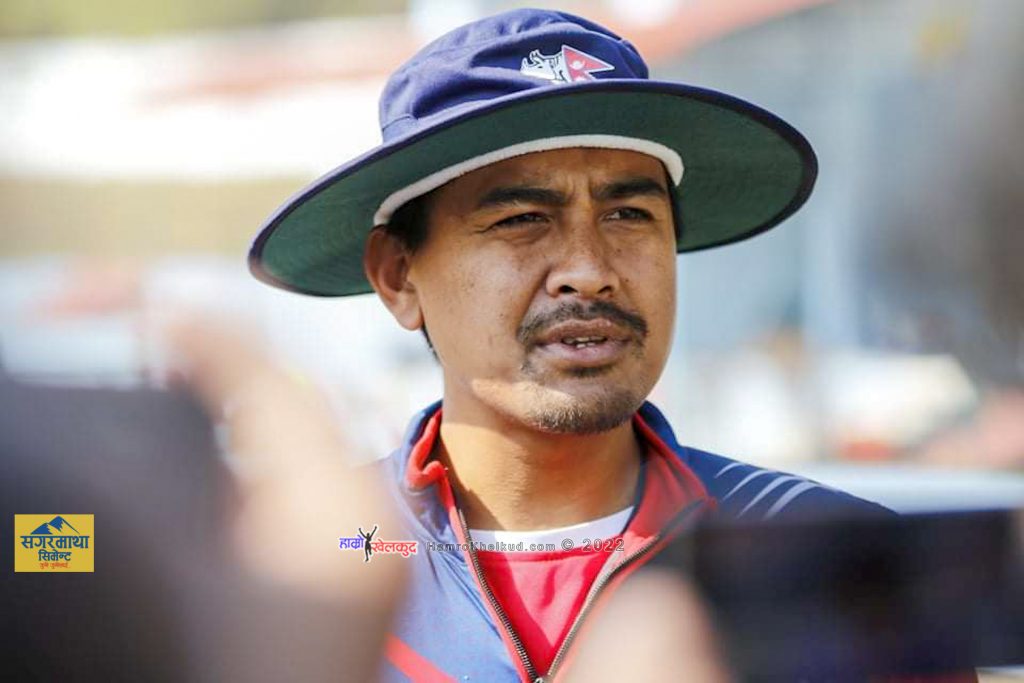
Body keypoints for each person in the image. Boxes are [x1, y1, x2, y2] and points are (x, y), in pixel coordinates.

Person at [247, 9, 895, 682]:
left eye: (628, 214)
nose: (588, 270)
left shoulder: (836, 560)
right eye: (521, 218)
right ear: (398, 276)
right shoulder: (298, 569)